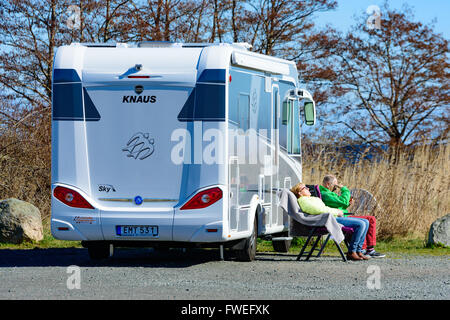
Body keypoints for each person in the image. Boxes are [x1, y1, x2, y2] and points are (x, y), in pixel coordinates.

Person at [290, 182, 370, 261]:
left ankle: (358, 251)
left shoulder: (312, 199)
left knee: (366, 222)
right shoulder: (303, 201)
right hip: (328, 220)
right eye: (305, 188)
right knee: (361, 224)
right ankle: (352, 251)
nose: (308, 188)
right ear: (300, 193)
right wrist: (337, 212)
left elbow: (325, 208)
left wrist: (337, 211)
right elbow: (319, 210)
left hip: (331, 217)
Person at [319, 175, 385, 258]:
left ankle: (368, 249)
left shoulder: (329, 193)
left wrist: (347, 204)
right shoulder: (325, 194)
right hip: (337, 217)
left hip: (342, 215)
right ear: (328, 184)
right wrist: (344, 189)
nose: (336, 188)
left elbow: (339, 205)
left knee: (370, 219)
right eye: (335, 186)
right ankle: (360, 250)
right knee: (362, 223)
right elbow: (342, 202)